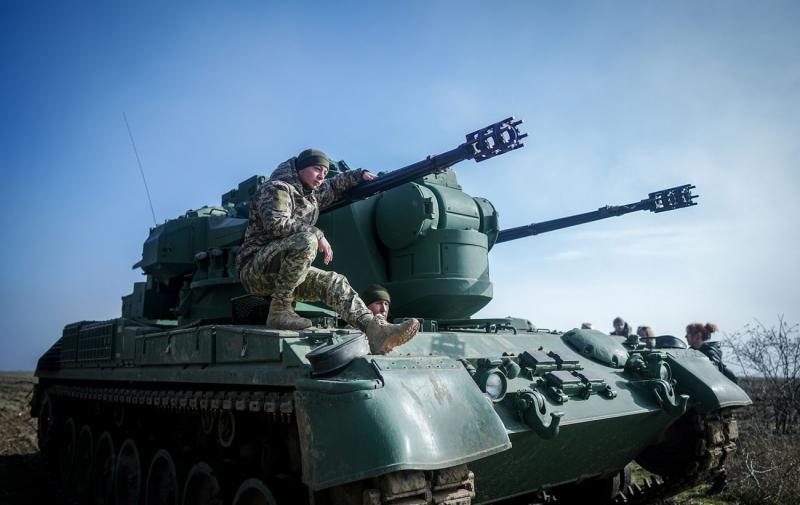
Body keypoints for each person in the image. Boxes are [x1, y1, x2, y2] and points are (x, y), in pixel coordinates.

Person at [237, 148, 419, 354]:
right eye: (317, 169)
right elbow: (276, 224)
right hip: (256, 268)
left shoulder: (312, 195)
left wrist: (359, 175)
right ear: (300, 168)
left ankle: (375, 330)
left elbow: (333, 185)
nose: (321, 176)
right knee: (307, 240)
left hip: (285, 274)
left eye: (324, 171)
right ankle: (279, 310)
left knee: (334, 282)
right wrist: (317, 234)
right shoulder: (276, 188)